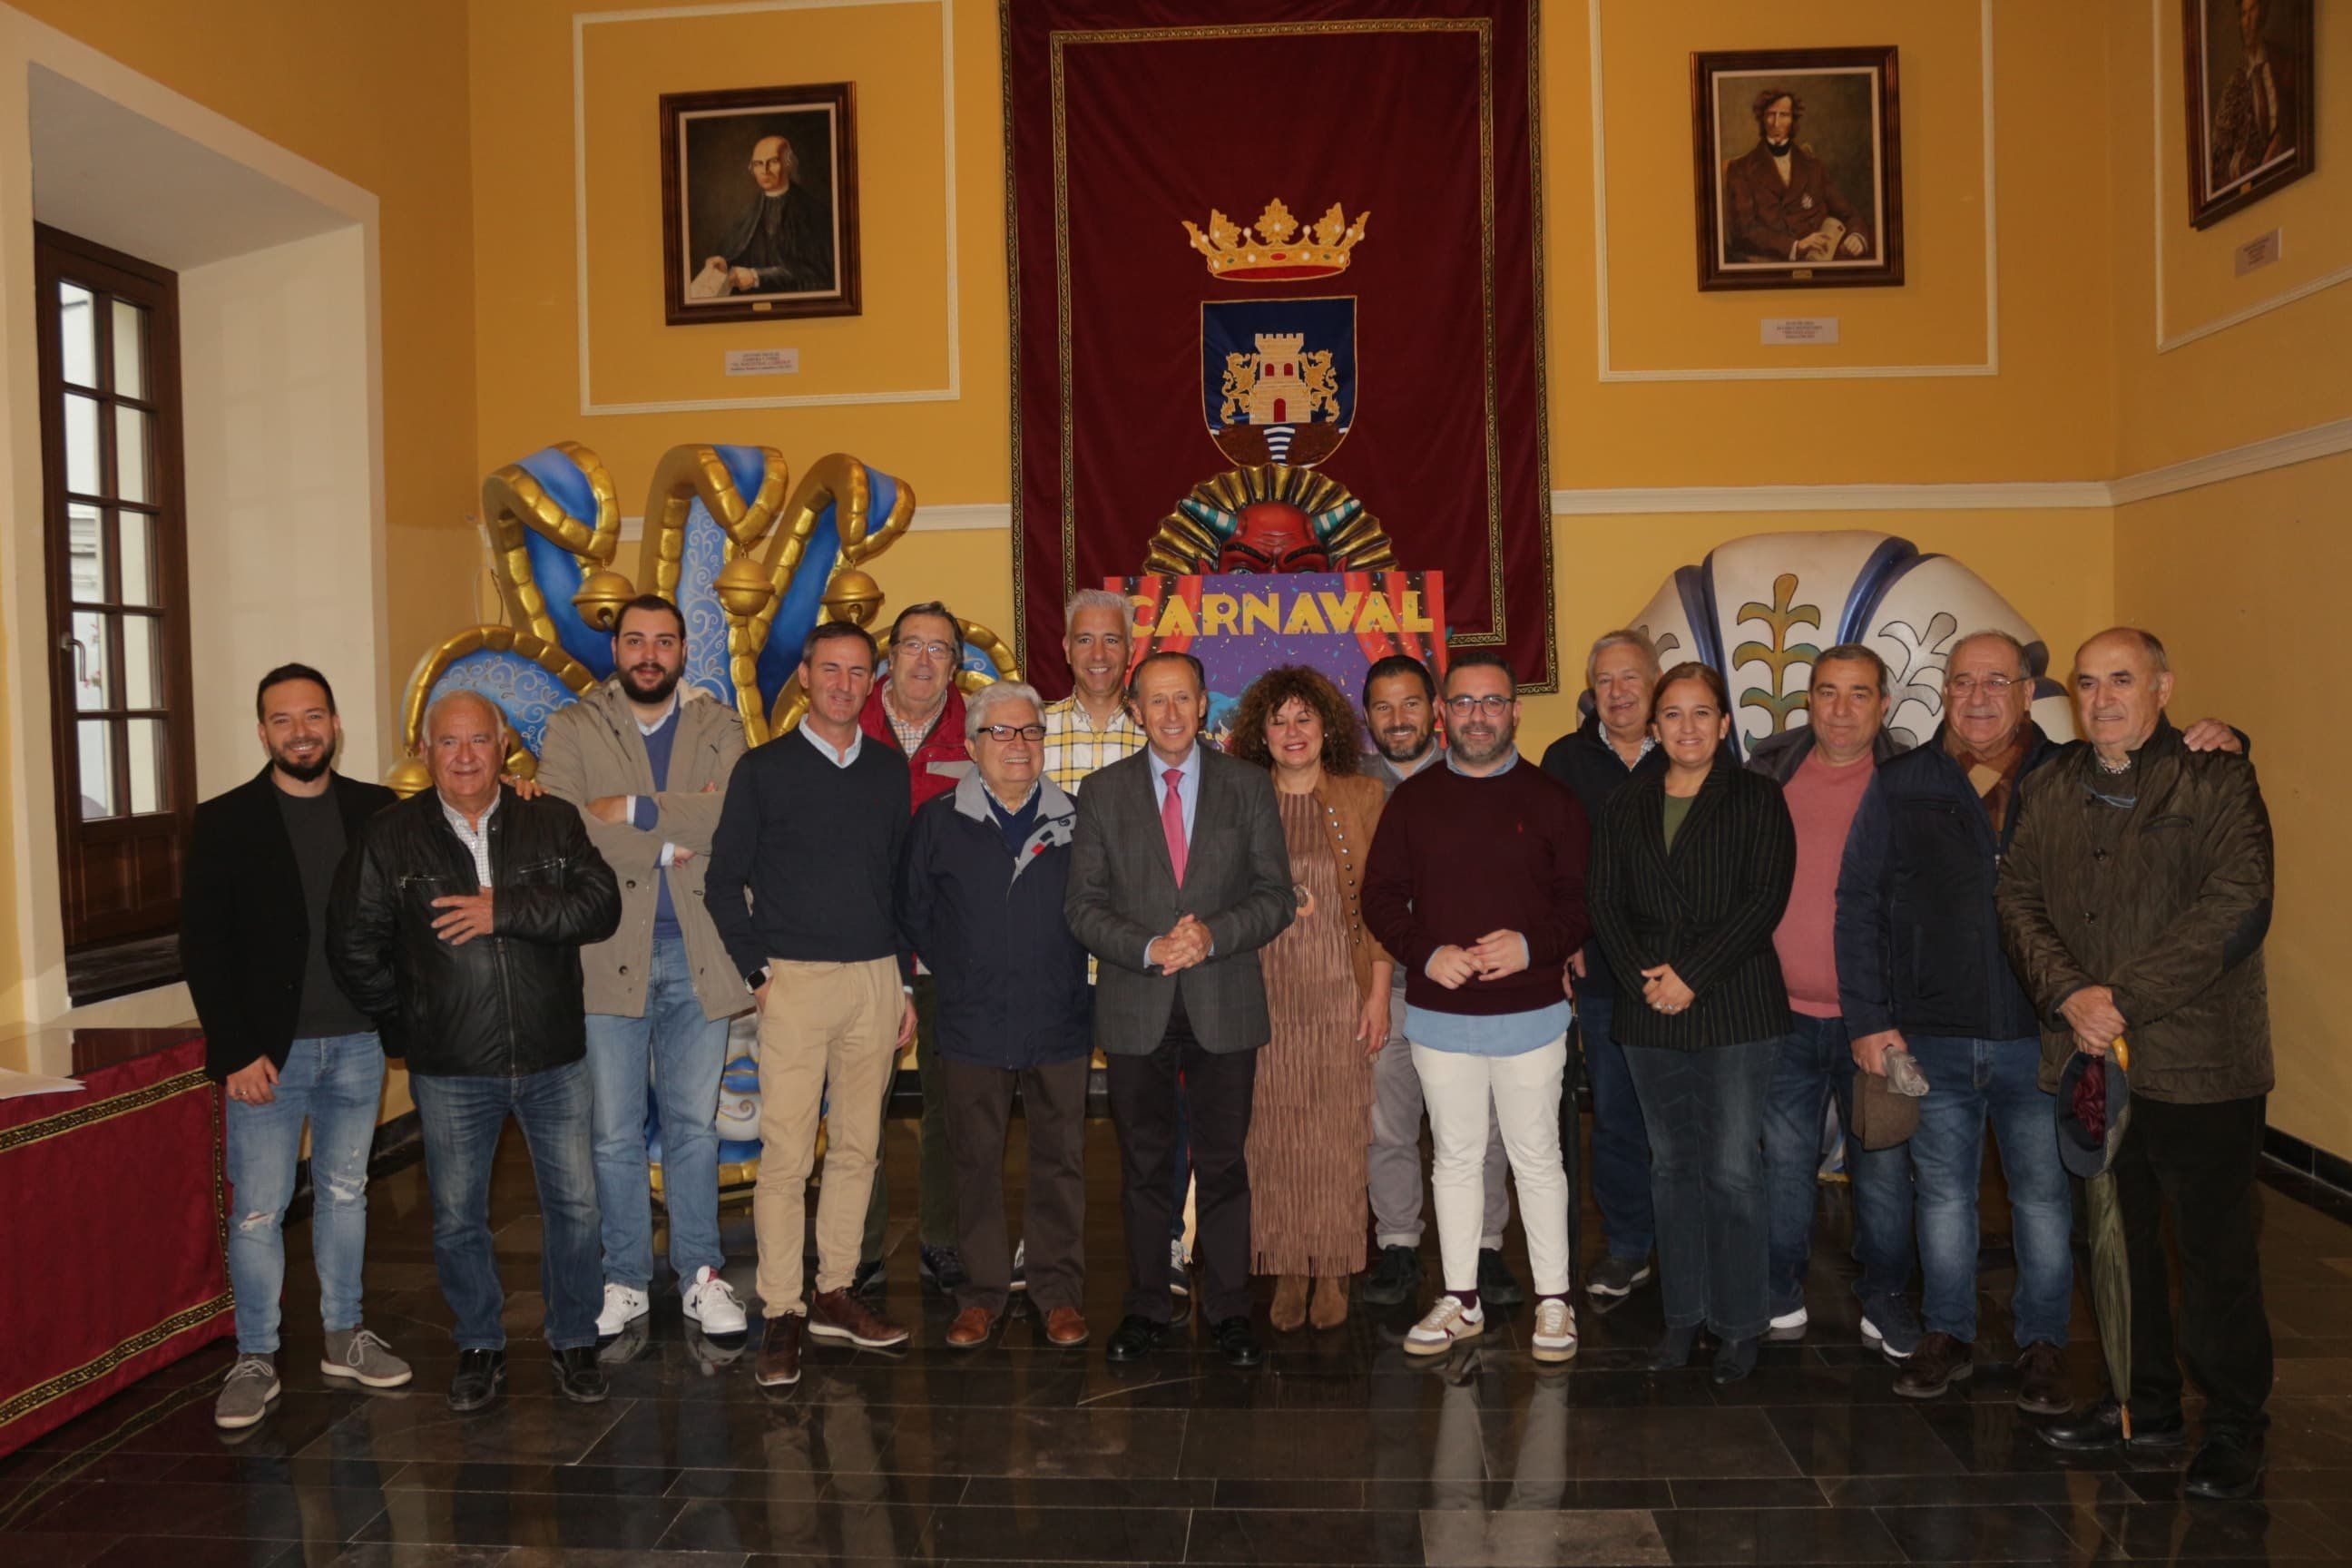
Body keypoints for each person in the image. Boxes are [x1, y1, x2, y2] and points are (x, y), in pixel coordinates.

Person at [2001, 628, 2277, 1500]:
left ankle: (2235, 1425)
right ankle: (2143, 1408)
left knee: (2213, 1255)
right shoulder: (2050, 786)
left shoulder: (2215, 775)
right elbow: (2018, 900)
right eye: (2087, 684)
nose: (2103, 700)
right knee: (2112, 1247)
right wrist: (2071, 994)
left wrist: (2119, 998)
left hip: (2201, 1066)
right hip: (2089, 1061)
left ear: (2163, 686)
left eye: (2122, 680)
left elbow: (2238, 907)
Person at [328, 691, 622, 1411]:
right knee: (458, 1214)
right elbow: (354, 944)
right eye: (448, 743)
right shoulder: (388, 837)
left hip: (555, 1056)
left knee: (577, 1207)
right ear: (425, 752)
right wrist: (410, 1026)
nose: (464, 757)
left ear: (504, 748)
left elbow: (600, 904)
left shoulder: (550, 819)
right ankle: (479, 1342)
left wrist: (505, 910)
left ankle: (573, 1337)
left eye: (478, 742)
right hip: (451, 1066)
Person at [1835, 631, 2071, 1411]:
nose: (1977, 697)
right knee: (1940, 1196)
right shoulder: (1903, 781)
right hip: (1929, 1036)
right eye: (1962, 681)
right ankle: (1948, 1332)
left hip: (2037, 1036)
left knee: (2041, 1197)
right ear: (1943, 692)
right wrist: (1869, 1019)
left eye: (1996, 682)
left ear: (2026, 694)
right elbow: (1859, 903)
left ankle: (2043, 1342)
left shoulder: (2065, 778)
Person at [182, 663, 408, 1430]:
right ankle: (255, 1357)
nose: (301, 731)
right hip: (266, 1059)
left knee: (347, 1192)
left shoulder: (378, 811)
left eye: (314, 716)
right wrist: (234, 1050)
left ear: (335, 724)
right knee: (259, 1214)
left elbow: (449, 846)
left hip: (357, 1043)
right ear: (262, 733)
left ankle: (344, 1336)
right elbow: (204, 949)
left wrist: (524, 793)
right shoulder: (224, 821)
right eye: (284, 720)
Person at [1065, 650, 1294, 1368]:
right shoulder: (1101, 793)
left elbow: (1274, 895)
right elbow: (1082, 907)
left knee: (1225, 1163)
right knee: (1141, 1165)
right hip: (1137, 1001)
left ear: (1204, 707)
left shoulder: (1247, 787)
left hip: (1224, 999)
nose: (1169, 713)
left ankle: (1229, 1310)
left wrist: (1211, 935)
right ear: (1136, 710)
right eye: (1154, 701)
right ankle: (1146, 1306)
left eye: (1182, 699)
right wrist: (1150, 947)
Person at [705, 622, 918, 1388]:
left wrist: (901, 981)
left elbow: (898, 888)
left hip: (872, 980)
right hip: (792, 981)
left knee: (859, 1149)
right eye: (829, 669)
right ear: (804, 676)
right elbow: (722, 882)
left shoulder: (889, 773)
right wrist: (761, 977)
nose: (842, 683)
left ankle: (835, 1290)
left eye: (858, 672)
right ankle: (783, 1309)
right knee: (788, 1159)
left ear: (872, 684)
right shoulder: (762, 771)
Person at [536, 594, 750, 1344]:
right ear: (616, 649)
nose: (649, 654)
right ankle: (624, 1277)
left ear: (686, 651)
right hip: (604, 958)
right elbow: (562, 827)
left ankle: (700, 1274)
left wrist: (628, 805)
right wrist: (660, 844)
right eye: (635, 641)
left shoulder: (719, 725)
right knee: (614, 1133)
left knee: (695, 1125)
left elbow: (731, 817)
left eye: (664, 641)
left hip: (700, 957)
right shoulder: (572, 727)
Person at [1362, 650, 1586, 1366]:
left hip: (1532, 1013)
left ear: (1514, 712)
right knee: (1456, 1159)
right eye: (1463, 703)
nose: (1477, 715)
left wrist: (1534, 947)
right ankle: (1460, 1301)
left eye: (1492, 702)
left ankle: (1555, 1304)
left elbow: (1581, 904)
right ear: (1443, 715)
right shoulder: (1414, 802)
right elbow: (1379, 898)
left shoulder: (1553, 800)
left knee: (1536, 1158)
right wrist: (1425, 953)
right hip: (1438, 1016)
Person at [1587, 662, 1796, 1385]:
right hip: (1650, 1006)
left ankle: (1739, 1324)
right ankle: (1682, 1316)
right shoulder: (1624, 803)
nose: (1687, 728)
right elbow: (1604, 903)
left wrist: (1691, 977)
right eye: (1672, 715)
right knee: (1671, 1167)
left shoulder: (1758, 798)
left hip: (1734, 1003)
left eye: (1702, 714)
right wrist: (1650, 979)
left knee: (1734, 1171)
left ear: (1726, 724)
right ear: (1653, 726)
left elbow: (1763, 901)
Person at [897, 681, 1093, 1351]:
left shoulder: (1078, 819)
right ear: (974, 747)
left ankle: (1057, 1294)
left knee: (1060, 1160)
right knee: (973, 1160)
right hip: (971, 1018)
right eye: (1001, 733)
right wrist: (964, 968)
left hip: (1058, 1016)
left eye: (1030, 732)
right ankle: (981, 1295)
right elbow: (914, 909)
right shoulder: (939, 820)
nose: (1018, 745)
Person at [1745, 645, 1918, 1360]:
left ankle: (1884, 1297)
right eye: (1827, 693)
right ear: (1806, 701)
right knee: (1782, 1165)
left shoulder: (1910, 784)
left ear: (1883, 706)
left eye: (1858, 694)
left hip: (1874, 1022)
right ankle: (1777, 1290)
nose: (1841, 709)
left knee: (1881, 1169)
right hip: (1781, 1013)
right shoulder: (1769, 775)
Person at [1225, 666, 1391, 1331]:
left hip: (1337, 990)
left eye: (1305, 719)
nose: (1293, 732)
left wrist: (1377, 993)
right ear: (1260, 733)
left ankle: (1335, 1270)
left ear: (1327, 727)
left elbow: (1382, 903)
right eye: (1279, 721)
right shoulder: (1239, 798)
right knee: (1269, 1136)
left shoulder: (1362, 795)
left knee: (1336, 1135)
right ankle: (1288, 1266)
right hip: (1261, 990)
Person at [1362, 654, 1521, 1312]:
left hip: (1468, 987)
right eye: (1382, 707)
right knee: (1387, 1124)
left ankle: (1485, 1247)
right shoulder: (1349, 785)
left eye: (1409, 705)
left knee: (1480, 1130)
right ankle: (1397, 1242)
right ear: (1366, 716)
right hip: (1387, 987)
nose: (1397, 719)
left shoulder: (1479, 770)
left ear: (1435, 710)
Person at [1040, 589, 1184, 1299]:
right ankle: (1047, 1248)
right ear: (1064, 648)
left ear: (1132, 651)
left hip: (1142, 964)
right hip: (1054, 958)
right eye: (1084, 640)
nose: (1099, 653)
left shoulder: (1161, 736)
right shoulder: (1027, 734)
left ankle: (1170, 1243)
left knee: (1156, 1118)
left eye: (1112, 641)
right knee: (1054, 1115)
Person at [1539, 631, 1669, 1302]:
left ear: (1656, 682)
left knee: (1684, 1117)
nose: (1617, 693)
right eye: (1606, 681)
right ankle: (1627, 1246)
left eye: (1631, 679)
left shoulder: (1688, 749)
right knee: (1617, 1116)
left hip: (1688, 975)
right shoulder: (1564, 760)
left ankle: (1688, 1242)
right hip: (1602, 976)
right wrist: (1562, 941)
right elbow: (1546, 867)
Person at [858, 601, 971, 1294]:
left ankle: (942, 1239)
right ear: (888, 656)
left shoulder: (981, 731)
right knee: (860, 1106)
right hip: (862, 950)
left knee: (948, 1103)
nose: (925, 661)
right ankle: (858, 1248)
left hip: (945, 949)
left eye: (941, 650)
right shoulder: (844, 724)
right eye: (912, 647)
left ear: (958, 665)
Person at [1722, 89, 1872, 265]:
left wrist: (1857, 236)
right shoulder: (1740, 169)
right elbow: (1744, 231)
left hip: (1819, 261)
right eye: (1771, 115)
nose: (1776, 123)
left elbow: (1848, 213)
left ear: (1793, 120)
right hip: (1768, 263)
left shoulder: (1813, 166)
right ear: (1762, 119)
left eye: (1784, 115)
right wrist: (1795, 246)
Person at [708, 133, 833, 295]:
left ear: (788, 164)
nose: (765, 170)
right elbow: (743, 253)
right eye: (758, 164)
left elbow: (818, 274)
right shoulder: (749, 212)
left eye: (773, 162)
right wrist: (726, 264)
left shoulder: (813, 212)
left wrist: (756, 277)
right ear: (752, 168)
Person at [2215, 0, 2300, 184]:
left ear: (2263, 14)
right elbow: (2220, 157)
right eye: (2243, 15)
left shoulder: (2284, 64)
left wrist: (2282, 137)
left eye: (2252, 11)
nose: (2247, 22)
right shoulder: (2233, 87)